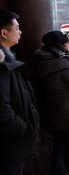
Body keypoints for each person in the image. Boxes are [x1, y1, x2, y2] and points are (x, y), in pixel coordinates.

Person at [32, 30, 69, 175]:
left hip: (51, 114)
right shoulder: (61, 63)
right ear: (61, 45)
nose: (68, 45)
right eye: (67, 43)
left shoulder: (38, 60)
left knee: (58, 149)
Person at [0, 10, 39, 175]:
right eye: (17, 28)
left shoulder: (9, 58)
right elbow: (1, 108)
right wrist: (23, 128)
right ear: (3, 32)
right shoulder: (2, 63)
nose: (21, 31)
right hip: (10, 144)